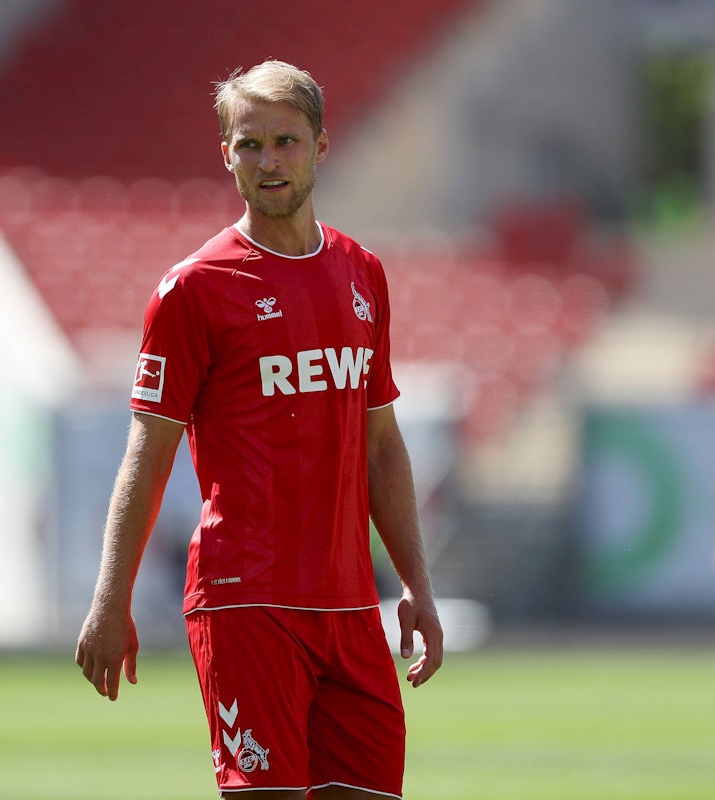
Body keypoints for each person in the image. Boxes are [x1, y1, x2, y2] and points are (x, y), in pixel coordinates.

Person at [75, 59, 443, 799]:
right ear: (225, 155)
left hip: (348, 609)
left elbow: (381, 446)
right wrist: (110, 599)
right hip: (247, 602)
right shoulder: (193, 290)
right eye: (249, 145)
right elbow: (146, 458)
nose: (268, 161)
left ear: (321, 146)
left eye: (285, 141)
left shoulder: (362, 273)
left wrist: (415, 584)